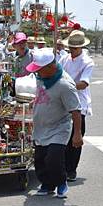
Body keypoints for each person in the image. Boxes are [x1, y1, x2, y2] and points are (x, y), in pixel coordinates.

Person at [26, 48, 83, 198]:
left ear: (50, 67)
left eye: (39, 70)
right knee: (40, 160)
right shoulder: (40, 77)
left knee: (54, 158)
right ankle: (47, 185)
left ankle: (61, 182)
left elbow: (76, 111)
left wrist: (77, 134)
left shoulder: (65, 85)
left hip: (59, 127)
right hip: (41, 126)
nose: (37, 73)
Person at [60, 30, 94, 181]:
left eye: (75, 48)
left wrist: (65, 86)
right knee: (61, 136)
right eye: (70, 48)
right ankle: (61, 167)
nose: (72, 51)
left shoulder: (87, 62)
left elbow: (83, 83)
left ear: (80, 47)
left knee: (76, 136)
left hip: (79, 102)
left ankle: (71, 169)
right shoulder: (64, 59)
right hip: (61, 101)